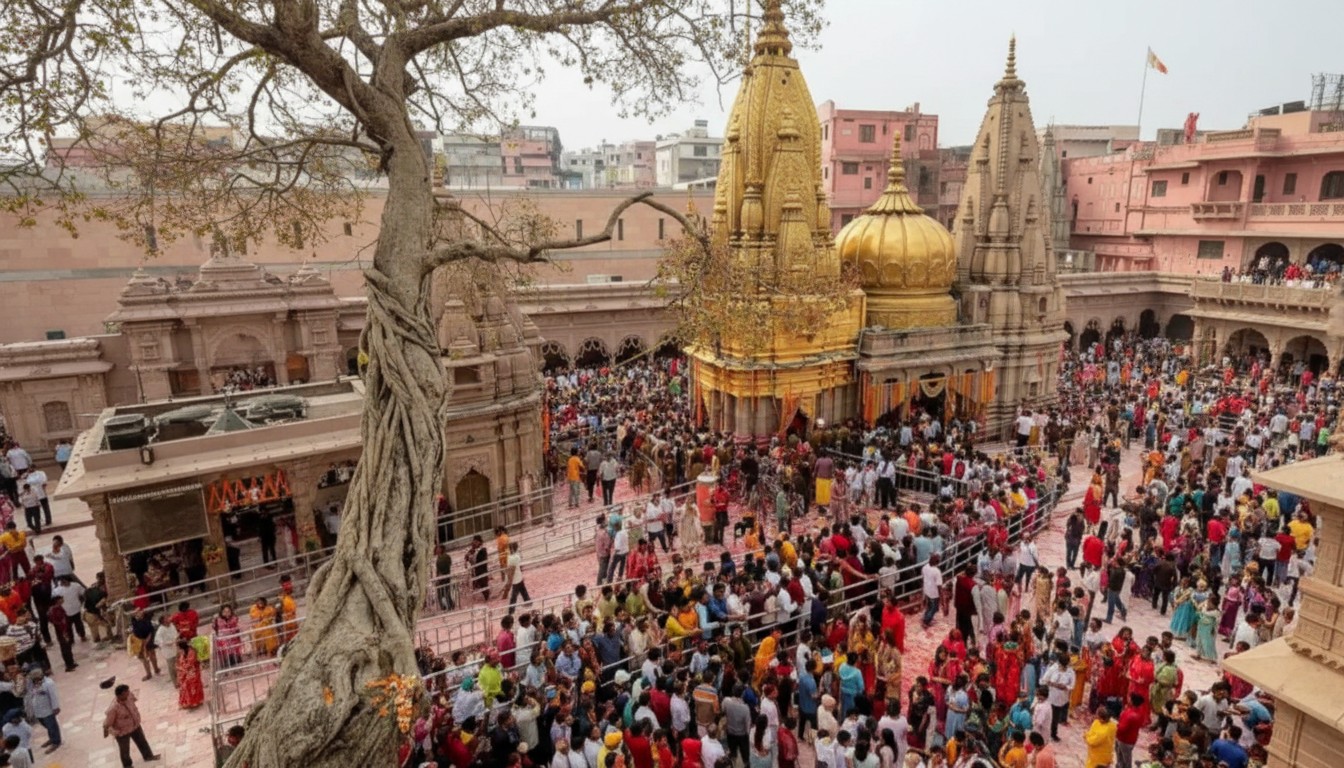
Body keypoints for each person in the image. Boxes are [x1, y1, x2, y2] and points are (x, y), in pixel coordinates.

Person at [103, 684, 161, 766]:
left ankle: (148, 756)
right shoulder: (113, 708)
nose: (129, 693)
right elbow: (108, 722)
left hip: (135, 726)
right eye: (126, 692)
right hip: (122, 732)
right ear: (120, 695)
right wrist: (106, 730)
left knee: (142, 742)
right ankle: (127, 765)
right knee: (124, 750)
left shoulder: (129, 696)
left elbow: (133, 702)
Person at [23, 668, 59, 754]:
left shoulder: (48, 683)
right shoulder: (32, 683)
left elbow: (53, 696)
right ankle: (52, 738)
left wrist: (55, 707)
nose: (35, 681)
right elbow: (29, 692)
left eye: (36, 679)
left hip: (47, 710)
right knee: (46, 726)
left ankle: (56, 742)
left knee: (52, 726)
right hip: (38, 710)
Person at [177, 638, 205, 710]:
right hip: (186, 671)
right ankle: (187, 702)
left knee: (189, 683)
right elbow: (181, 662)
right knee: (183, 684)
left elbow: (191, 662)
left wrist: (184, 668)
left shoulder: (192, 651)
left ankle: (196, 701)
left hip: (194, 670)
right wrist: (182, 669)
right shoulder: (183, 652)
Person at [503, 541, 531, 611]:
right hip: (519, 576)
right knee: (522, 590)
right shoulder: (516, 556)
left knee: (514, 595)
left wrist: (509, 581)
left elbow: (511, 570)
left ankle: (511, 610)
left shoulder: (511, 558)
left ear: (511, 549)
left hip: (515, 578)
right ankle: (528, 601)